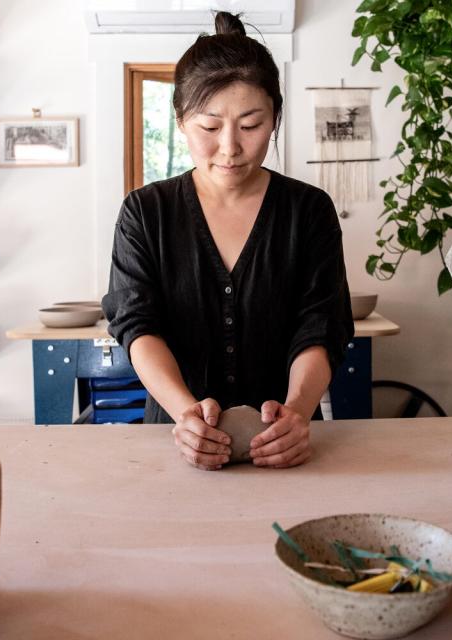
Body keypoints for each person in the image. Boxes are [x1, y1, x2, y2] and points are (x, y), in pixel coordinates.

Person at [103, 11, 354, 471]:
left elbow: (320, 326)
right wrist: (185, 414)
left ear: (275, 118)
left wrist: (297, 410)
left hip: (284, 443)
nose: (230, 147)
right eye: (210, 127)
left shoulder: (309, 210)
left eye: (251, 124)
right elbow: (138, 327)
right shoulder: (146, 212)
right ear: (180, 121)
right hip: (178, 442)